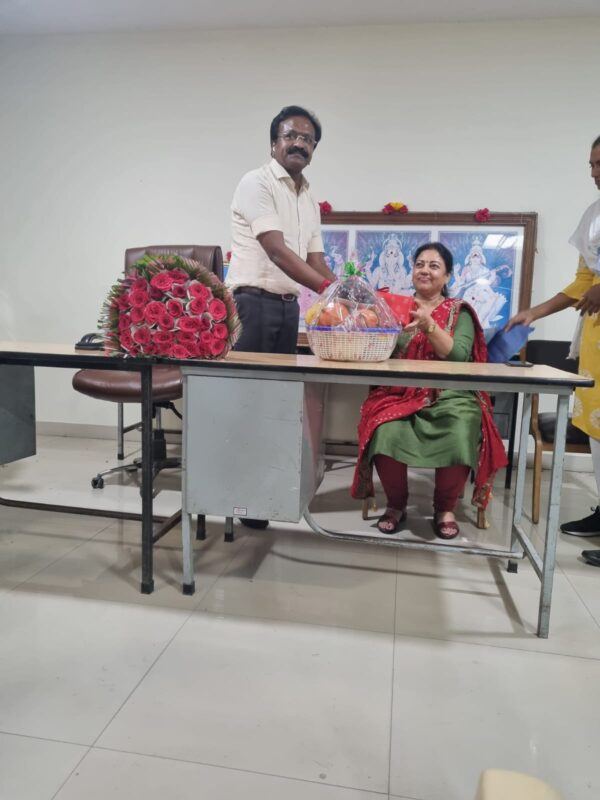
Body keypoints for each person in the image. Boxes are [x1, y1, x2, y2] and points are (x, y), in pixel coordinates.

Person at [351, 242, 507, 538]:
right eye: (419, 264)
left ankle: (445, 508)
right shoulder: (392, 306)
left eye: (434, 266)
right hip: (400, 392)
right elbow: (378, 349)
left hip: (450, 394)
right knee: (385, 428)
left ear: (448, 276)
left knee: (460, 428)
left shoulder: (459, 312)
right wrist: (363, 319)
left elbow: (459, 356)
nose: (425, 270)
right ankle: (396, 505)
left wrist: (428, 325)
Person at [506, 135, 600, 562]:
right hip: (595, 334)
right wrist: (534, 312)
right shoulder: (594, 216)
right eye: (591, 165)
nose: (594, 173)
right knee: (596, 427)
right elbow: (584, 282)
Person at [226, 105, 336, 355]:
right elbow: (276, 251)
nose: (299, 144)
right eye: (290, 136)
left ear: (313, 150)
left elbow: (316, 262)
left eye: (307, 139)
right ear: (274, 144)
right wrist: (328, 291)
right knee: (247, 380)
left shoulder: (309, 200)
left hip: (289, 308)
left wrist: (347, 293)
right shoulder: (257, 182)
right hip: (252, 305)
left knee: (281, 381)